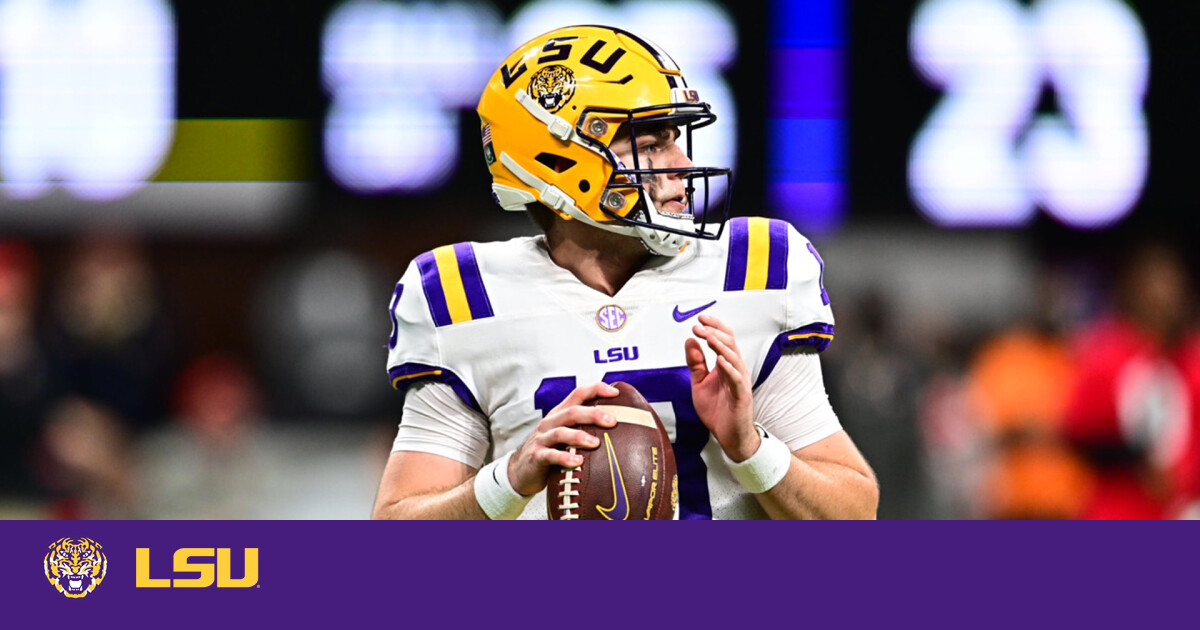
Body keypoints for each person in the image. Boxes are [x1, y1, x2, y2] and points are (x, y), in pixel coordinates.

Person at [372, 25, 877, 519]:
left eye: (674, 139)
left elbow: (853, 513)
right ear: (560, 161)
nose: (679, 162)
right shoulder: (464, 294)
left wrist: (751, 448)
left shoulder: (755, 268)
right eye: (650, 143)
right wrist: (512, 477)